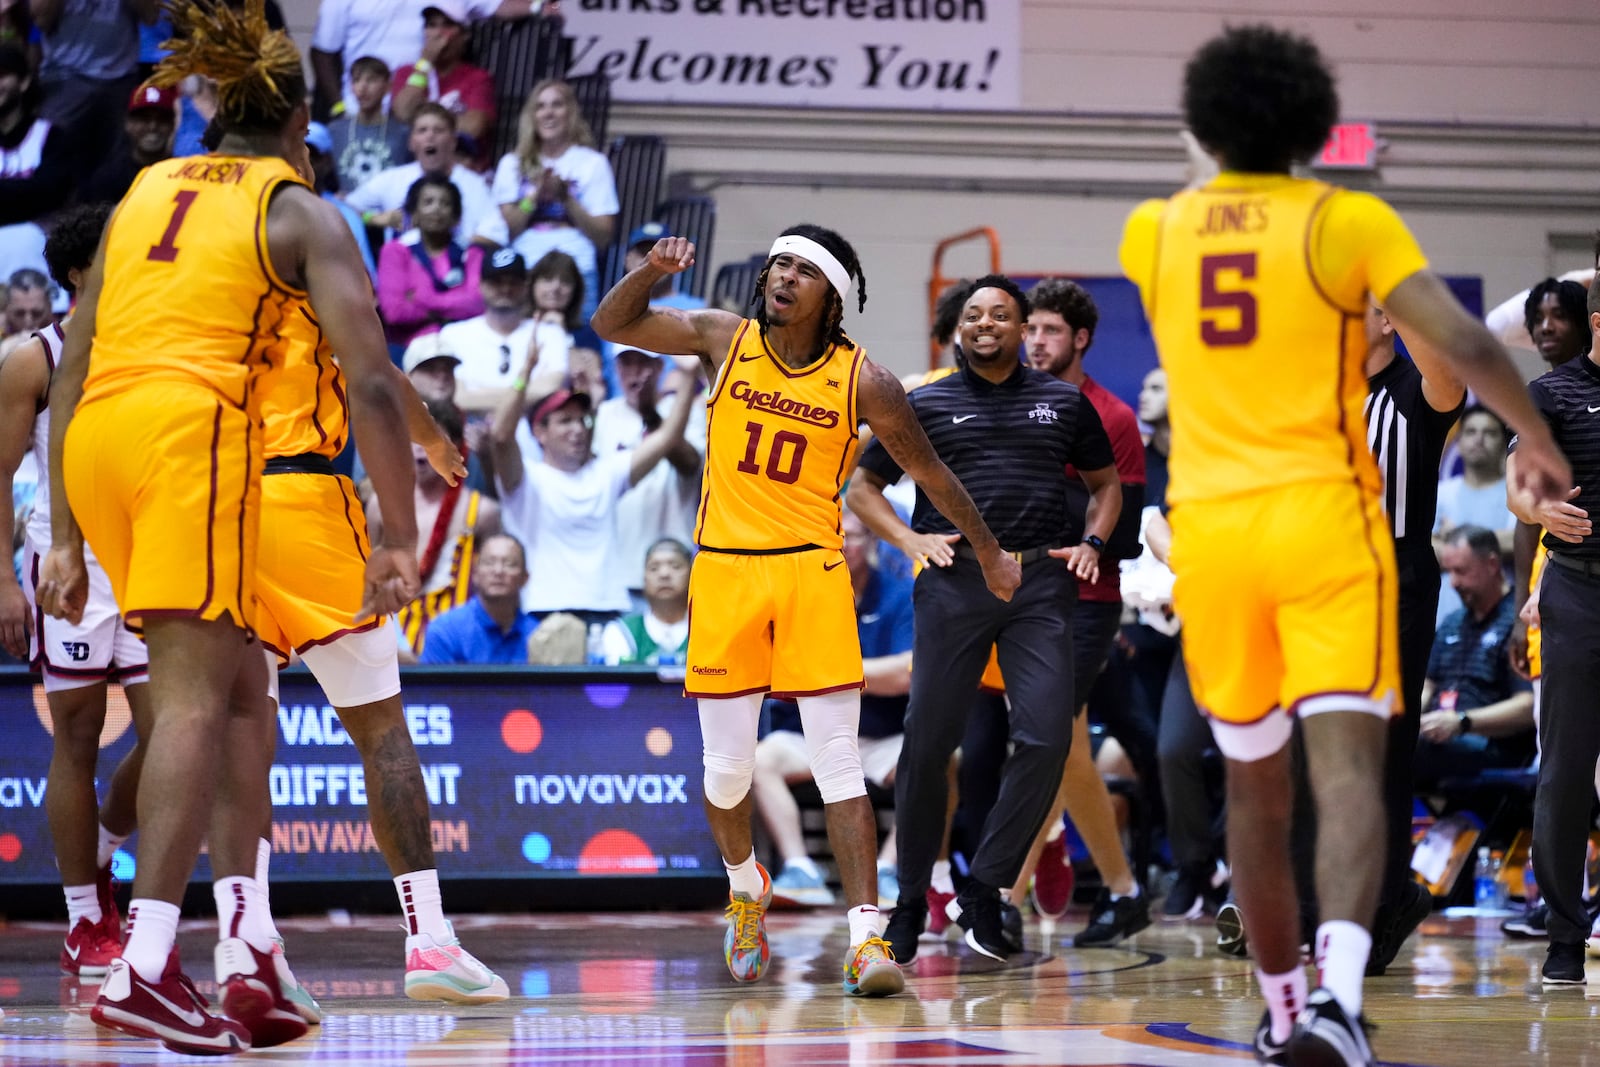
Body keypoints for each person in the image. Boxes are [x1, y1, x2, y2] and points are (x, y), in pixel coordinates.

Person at [1118, 24, 1568, 1066]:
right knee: (1355, 770)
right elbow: (1459, 340)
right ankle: (1336, 999)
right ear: (1314, 125)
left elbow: (1209, 179)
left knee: (1255, 788)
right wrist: (1535, 441)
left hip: (1214, 533)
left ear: (1204, 122)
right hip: (1324, 522)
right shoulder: (1344, 217)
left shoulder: (1154, 230)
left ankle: (1279, 1011)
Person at [36, 0, 422, 1052]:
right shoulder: (297, 208)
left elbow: (70, 358)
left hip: (98, 440)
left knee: (243, 690)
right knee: (197, 703)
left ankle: (247, 944)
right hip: (190, 433)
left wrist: (63, 531)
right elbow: (376, 387)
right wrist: (398, 530)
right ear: (301, 121)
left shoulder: (145, 188)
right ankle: (149, 960)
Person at [592, 224, 1021, 998]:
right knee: (725, 772)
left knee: (837, 761)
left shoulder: (867, 381)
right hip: (724, 574)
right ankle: (744, 882)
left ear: (833, 293)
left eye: (802, 269)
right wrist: (651, 272)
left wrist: (987, 548)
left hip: (813, 574)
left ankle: (867, 939)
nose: (783, 277)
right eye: (777, 264)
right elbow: (611, 325)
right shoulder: (723, 337)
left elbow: (929, 471)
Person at [849, 275, 1121, 964]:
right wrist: (907, 540)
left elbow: (1106, 485)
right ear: (958, 329)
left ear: (1024, 327)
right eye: (973, 314)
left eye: (1001, 314)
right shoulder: (924, 402)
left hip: (1040, 586)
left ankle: (986, 887)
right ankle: (911, 898)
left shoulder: (1063, 402)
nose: (985, 324)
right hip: (952, 582)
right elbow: (863, 486)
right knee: (927, 742)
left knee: (1046, 738)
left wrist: (1093, 542)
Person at [251, 300, 505, 1010]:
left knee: (241, 741)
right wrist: (429, 448)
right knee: (383, 731)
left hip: (219, 505)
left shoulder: (211, 289)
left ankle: (252, 947)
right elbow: (382, 382)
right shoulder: (311, 284)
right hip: (305, 501)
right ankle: (429, 938)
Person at [0, 203, 147, 981]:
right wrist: (2, 582)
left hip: (151, 551)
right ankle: (85, 918)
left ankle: (104, 850)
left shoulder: (157, 341)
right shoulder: (34, 357)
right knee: (79, 735)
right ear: (82, 273)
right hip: (69, 559)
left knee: (170, 738)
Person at [1004, 276, 1151, 947]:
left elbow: (1122, 532)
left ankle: (1002, 896)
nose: (1034, 340)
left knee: (1044, 739)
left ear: (1081, 338)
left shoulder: (1114, 417)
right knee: (1068, 756)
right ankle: (1124, 893)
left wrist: (1048, 517)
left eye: (1049, 330)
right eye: (1029, 328)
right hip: (1022, 595)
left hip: (1088, 601)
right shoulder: (1013, 400)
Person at [1359, 298, 1464, 975]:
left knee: (1384, 745)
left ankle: (1384, 900)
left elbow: (1450, 374)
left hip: (1398, 573)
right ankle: (1345, 895)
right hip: (1326, 578)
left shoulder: (1415, 387)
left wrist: (1392, 284)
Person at [1507, 280, 1600, 986]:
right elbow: (1518, 482)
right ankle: (1565, 934)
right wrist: (1537, 507)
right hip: (1577, 588)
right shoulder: (1556, 392)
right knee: (1566, 771)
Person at [754, 508, 912, 909]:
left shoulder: (899, 595)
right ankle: (799, 869)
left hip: (881, 738)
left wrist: (835, 673)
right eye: (835, 535)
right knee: (756, 761)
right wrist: (863, 676)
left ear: (873, 541)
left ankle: (889, 870)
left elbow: (908, 673)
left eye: (855, 535)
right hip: (812, 736)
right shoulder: (802, 596)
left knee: (929, 761)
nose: (844, 544)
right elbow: (783, 670)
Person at [487, 344, 694, 622]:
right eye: (565, 421)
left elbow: (667, 437)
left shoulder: (606, 473)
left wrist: (690, 376)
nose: (577, 429)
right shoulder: (525, 478)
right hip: (544, 608)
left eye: (582, 420)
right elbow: (500, 436)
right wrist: (525, 372)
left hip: (607, 608)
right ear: (539, 432)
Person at [480, 79, 616, 321]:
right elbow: (507, 228)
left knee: (578, 338)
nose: (549, 113)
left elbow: (603, 235)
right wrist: (532, 196)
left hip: (577, 265)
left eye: (557, 105)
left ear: (571, 112)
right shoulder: (511, 163)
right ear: (532, 115)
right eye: (541, 106)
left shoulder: (592, 163)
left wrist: (567, 199)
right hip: (525, 264)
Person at [374, 396, 501, 654]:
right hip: (392, 651)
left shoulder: (482, 513)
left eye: (428, 437)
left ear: (453, 447)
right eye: (411, 438)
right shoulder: (379, 506)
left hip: (458, 654)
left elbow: (494, 591)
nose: (419, 447)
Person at [1413, 525, 1535, 786]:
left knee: (1402, 754)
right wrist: (1409, 719)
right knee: (1390, 742)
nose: (1453, 582)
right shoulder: (1451, 622)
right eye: (1449, 572)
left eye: (1461, 571)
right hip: (1437, 736)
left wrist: (1461, 722)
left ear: (1492, 564)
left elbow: (1527, 706)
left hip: (1491, 743)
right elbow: (1428, 686)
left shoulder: (1517, 625)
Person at [592, 345, 704, 601]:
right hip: (617, 572)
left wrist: (651, 416)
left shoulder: (687, 411)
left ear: (659, 368)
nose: (635, 373)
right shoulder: (605, 414)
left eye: (643, 363)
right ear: (616, 369)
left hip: (674, 569)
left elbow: (690, 464)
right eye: (627, 364)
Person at [345, 103, 494, 240]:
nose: (430, 136)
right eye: (422, 130)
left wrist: (451, 248)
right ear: (411, 142)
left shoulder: (475, 185)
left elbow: (495, 234)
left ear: (453, 142)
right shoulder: (392, 178)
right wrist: (373, 218)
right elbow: (344, 208)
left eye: (439, 130)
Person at [375, 174, 485, 350]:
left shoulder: (471, 252)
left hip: (464, 343)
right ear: (414, 213)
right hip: (408, 346)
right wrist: (454, 303)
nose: (437, 209)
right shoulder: (395, 251)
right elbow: (394, 312)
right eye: (428, 202)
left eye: (445, 203)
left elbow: (477, 303)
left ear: (456, 216)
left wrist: (422, 299)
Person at [389, 1, 494, 149]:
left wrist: (423, 119)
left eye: (447, 25)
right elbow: (403, 113)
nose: (438, 33)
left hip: (461, 164)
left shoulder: (478, 78)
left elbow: (474, 127)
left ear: (464, 35)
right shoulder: (407, 72)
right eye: (431, 25)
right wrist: (425, 64)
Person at [417, 532, 535, 663]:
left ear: (525, 577)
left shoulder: (538, 635)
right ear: (475, 574)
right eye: (489, 563)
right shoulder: (445, 632)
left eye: (510, 564)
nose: (498, 571)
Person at [77, 82, 177, 206]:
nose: (153, 126)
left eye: (162, 120)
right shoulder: (109, 177)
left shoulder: (182, 173)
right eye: (144, 119)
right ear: (128, 123)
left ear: (173, 125)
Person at [326, 55, 411, 195]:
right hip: (347, 211)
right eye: (356, 80)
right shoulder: (335, 131)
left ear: (388, 87)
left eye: (371, 80)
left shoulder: (402, 133)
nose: (362, 87)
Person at [600, 536, 691, 665]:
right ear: (644, 579)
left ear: (692, 574)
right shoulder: (621, 632)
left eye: (675, 566)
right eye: (654, 568)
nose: (664, 574)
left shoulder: (709, 631)